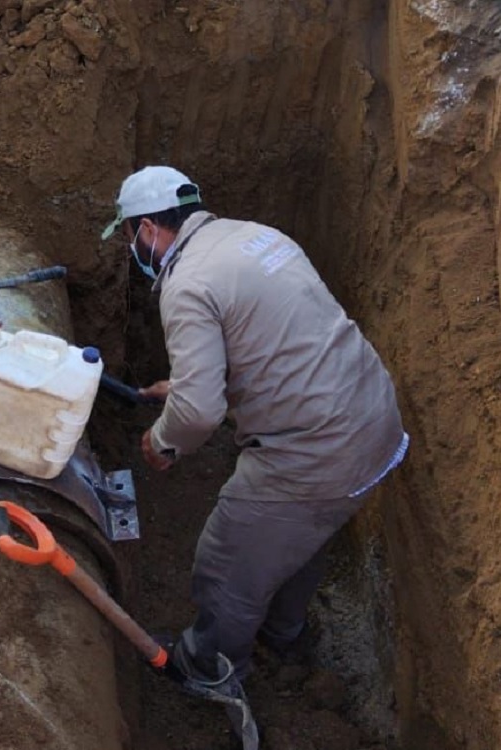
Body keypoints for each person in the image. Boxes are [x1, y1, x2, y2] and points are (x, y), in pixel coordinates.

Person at [101, 166, 408, 686]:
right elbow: (280, 344)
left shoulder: (186, 285)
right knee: (301, 538)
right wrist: (177, 389)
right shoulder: (258, 237)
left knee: (228, 561)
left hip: (315, 451)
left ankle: (210, 666)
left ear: (148, 229)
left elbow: (199, 414)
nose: (132, 248)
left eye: (129, 235)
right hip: (374, 424)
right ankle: (283, 633)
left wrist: (162, 441)